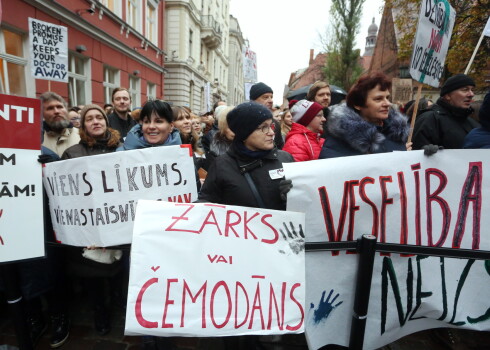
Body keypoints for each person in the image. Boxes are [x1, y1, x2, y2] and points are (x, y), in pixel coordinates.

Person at [61, 105, 122, 336]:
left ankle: (118, 302)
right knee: (93, 274)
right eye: (89, 119)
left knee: (117, 267)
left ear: (106, 121)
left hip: (116, 221)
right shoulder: (72, 153)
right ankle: (100, 311)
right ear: (83, 124)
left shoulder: (122, 150)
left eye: (100, 117)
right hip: (87, 225)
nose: (95, 121)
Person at [199, 102, 294, 210]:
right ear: (244, 133)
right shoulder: (222, 165)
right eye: (264, 127)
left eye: (271, 126)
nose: (272, 132)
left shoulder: (285, 159)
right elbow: (206, 205)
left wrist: (291, 198)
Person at [319, 72, 410, 159]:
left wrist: (419, 158)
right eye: (378, 99)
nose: (387, 103)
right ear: (358, 105)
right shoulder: (338, 141)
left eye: (387, 98)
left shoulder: (396, 134)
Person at [412, 74, 480, 149]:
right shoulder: (429, 119)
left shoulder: (472, 123)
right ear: (448, 96)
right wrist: (426, 151)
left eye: (472, 90)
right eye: (465, 89)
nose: (471, 94)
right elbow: (416, 153)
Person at [41, 92, 80, 157]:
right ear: (42, 114)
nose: (56, 111)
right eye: (50, 108)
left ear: (66, 110)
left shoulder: (82, 136)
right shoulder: (36, 140)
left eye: (59, 107)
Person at [249, 82, 284, 149]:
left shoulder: (275, 123)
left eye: (271, 97)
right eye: (265, 97)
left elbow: (280, 147)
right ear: (253, 100)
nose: (271, 100)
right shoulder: (244, 121)